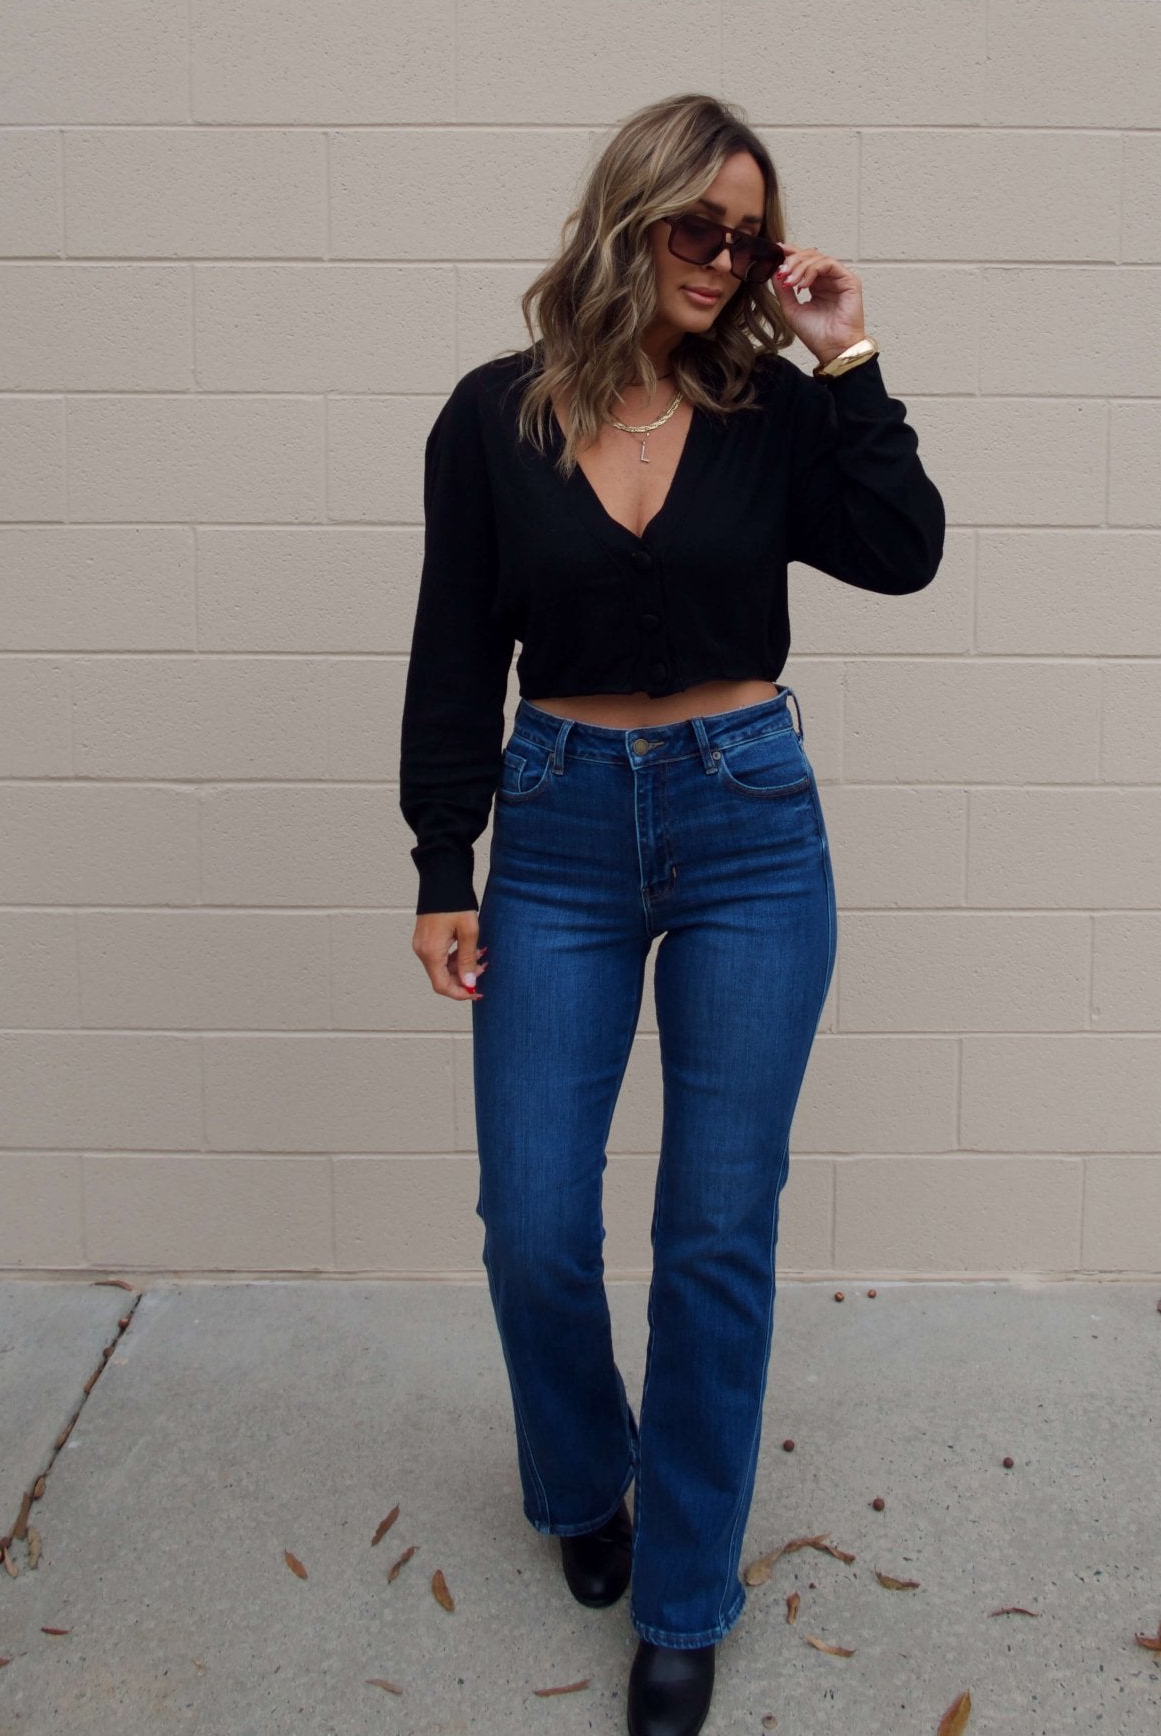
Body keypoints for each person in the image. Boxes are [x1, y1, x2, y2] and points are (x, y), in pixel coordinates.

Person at [399, 92, 945, 1736]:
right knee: (531, 1225)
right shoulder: (492, 416)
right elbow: (453, 648)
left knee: (713, 1232)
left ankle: (686, 1596)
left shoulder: (773, 414)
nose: (722, 261)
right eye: (697, 228)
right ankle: (587, 1485)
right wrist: (443, 863)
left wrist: (846, 358)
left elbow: (901, 551)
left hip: (747, 827)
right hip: (558, 827)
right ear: (626, 219)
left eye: (749, 241)